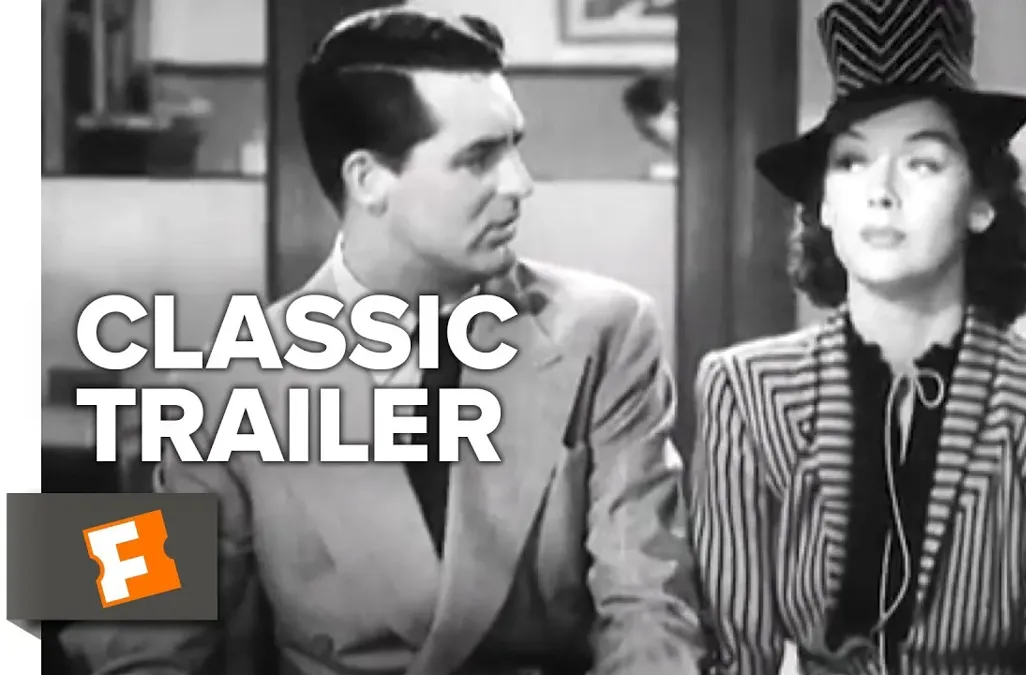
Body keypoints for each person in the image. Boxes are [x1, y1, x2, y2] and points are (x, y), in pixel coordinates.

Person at [60, 6, 705, 675]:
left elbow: (649, 608)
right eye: (479, 158)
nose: (521, 183)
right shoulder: (222, 383)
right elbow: (133, 640)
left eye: (514, 145)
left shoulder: (606, 332)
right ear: (368, 180)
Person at [687, 0, 1026, 673]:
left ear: (981, 201)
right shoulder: (745, 391)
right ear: (824, 204)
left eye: (922, 163)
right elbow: (733, 658)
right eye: (851, 162)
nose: (880, 191)